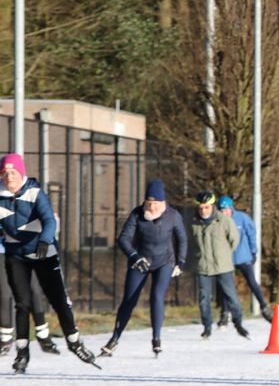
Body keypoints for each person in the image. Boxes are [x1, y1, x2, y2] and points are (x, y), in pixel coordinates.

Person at [0, 152, 97, 373]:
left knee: (59, 300)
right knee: (22, 303)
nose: (9, 177)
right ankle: (22, 352)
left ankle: (74, 342)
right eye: (5, 173)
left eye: (13, 172)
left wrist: (44, 240)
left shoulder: (35, 193)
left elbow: (49, 220)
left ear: (21, 172)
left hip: (43, 252)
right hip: (16, 255)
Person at [99, 180, 187, 358]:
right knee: (129, 300)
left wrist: (181, 261)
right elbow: (123, 239)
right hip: (141, 260)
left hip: (164, 261)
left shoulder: (172, 215)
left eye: (155, 204)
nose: (151, 207)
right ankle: (114, 339)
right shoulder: (137, 214)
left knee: (157, 296)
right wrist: (134, 256)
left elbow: (182, 239)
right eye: (148, 203)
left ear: (162, 203)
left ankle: (156, 339)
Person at [191, 190, 248, 340]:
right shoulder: (193, 223)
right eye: (201, 208)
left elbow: (234, 240)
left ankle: (238, 323)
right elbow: (191, 243)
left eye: (207, 208)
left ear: (212, 207)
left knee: (231, 296)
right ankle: (207, 327)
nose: (204, 211)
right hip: (204, 266)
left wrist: (224, 254)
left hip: (223, 266)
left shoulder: (224, 221)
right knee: (204, 299)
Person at [214, 195, 273, 325]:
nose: (224, 213)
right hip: (226, 259)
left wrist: (253, 252)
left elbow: (252, 234)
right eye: (221, 210)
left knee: (252, 281)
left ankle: (264, 307)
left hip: (243, 256)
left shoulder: (242, 218)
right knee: (226, 286)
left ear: (231, 208)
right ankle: (225, 313)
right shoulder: (217, 221)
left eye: (226, 210)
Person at [1, 248, 61, 355]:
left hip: (24, 247)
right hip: (2, 250)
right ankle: (5, 338)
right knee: (5, 293)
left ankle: (43, 334)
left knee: (34, 290)